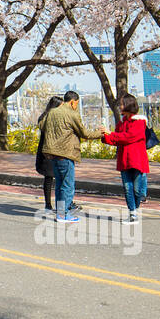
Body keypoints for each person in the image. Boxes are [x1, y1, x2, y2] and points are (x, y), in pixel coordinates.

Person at [39, 91, 106, 223]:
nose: (76, 106)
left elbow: (41, 125)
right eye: (76, 104)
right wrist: (101, 134)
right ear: (72, 102)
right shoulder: (72, 114)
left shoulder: (52, 112)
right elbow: (84, 133)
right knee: (68, 186)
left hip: (52, 154)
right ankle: (64, 215)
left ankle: (60, 213)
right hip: (66, 153)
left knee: (59, 184)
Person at [103, 94, 151, 221]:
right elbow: (117, 139)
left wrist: (111, 134)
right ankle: (132, 212)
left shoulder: (139, 122)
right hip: (124, 159)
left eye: (122, 104)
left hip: (137, 160)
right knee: (127, 188)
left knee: (136, 190)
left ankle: (135, 208)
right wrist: (104, 136)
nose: (120, 106)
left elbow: (128, 136)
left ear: (129, 105)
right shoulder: (121, 123)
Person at [35, 96, 64, 209]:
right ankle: (51, 205)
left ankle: (57, 206)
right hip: (49, 152)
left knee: (55, 180)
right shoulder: (46, 118)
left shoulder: (46, 117)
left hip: (52, 152)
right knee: (52, 179)